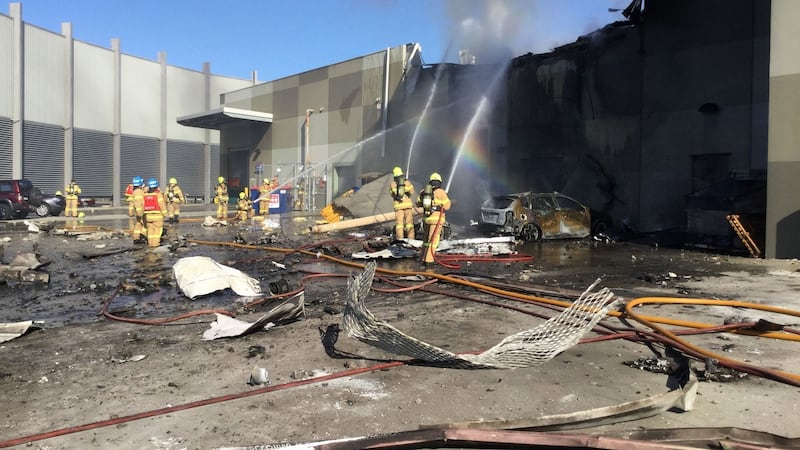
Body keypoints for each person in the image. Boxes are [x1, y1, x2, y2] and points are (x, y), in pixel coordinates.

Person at [416, 172, 451, 266]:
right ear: (439, 182)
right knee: (433, 241)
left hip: (427, 219)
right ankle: (429, 261)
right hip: (436, 220)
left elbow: (418, 203)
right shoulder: (441, 192)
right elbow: (447, 206)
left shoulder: (424, 191)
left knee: (426, 240)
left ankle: (423, 257)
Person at [389, 166, 415, 240]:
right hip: (408, 206)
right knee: (409, 224)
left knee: (399, 225)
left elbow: (391, 194)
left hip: (398, 206)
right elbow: (412, 192)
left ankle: (400, 239)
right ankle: (411, 239)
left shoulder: (392, 184)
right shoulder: (407, 182)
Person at [142, 178, 167, 247]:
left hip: (148, 217)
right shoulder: (158, 194)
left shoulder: (145, 195)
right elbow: (162, 204)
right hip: (157, 216)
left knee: (150, 231)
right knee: (157, 232)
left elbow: (142, 205)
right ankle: (155, 245)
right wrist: (165, 214)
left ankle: (150, 244)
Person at [131, 177, 147, 245]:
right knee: (144, 225)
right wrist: (140, 213)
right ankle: (142, 237)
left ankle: (136, 238)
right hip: (140, 212)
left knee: (138, 225)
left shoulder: (135, 191)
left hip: (137, 212)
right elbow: (139, 203)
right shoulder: (139, 192)